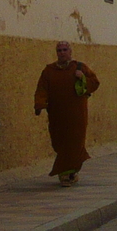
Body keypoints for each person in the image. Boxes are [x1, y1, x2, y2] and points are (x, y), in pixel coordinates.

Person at [34, 41, 100, 186]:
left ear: (70, 51)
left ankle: (67, 174)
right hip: (57, 114)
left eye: (65, 50)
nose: (62, 52)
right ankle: (69, 171)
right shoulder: (49, 71)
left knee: (75, 143)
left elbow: (94, 83)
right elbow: (42, 88)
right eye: (59, 50)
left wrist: (82, 77)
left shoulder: (80, 67)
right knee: (60, 142)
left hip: (77, 114)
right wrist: (39, 104)